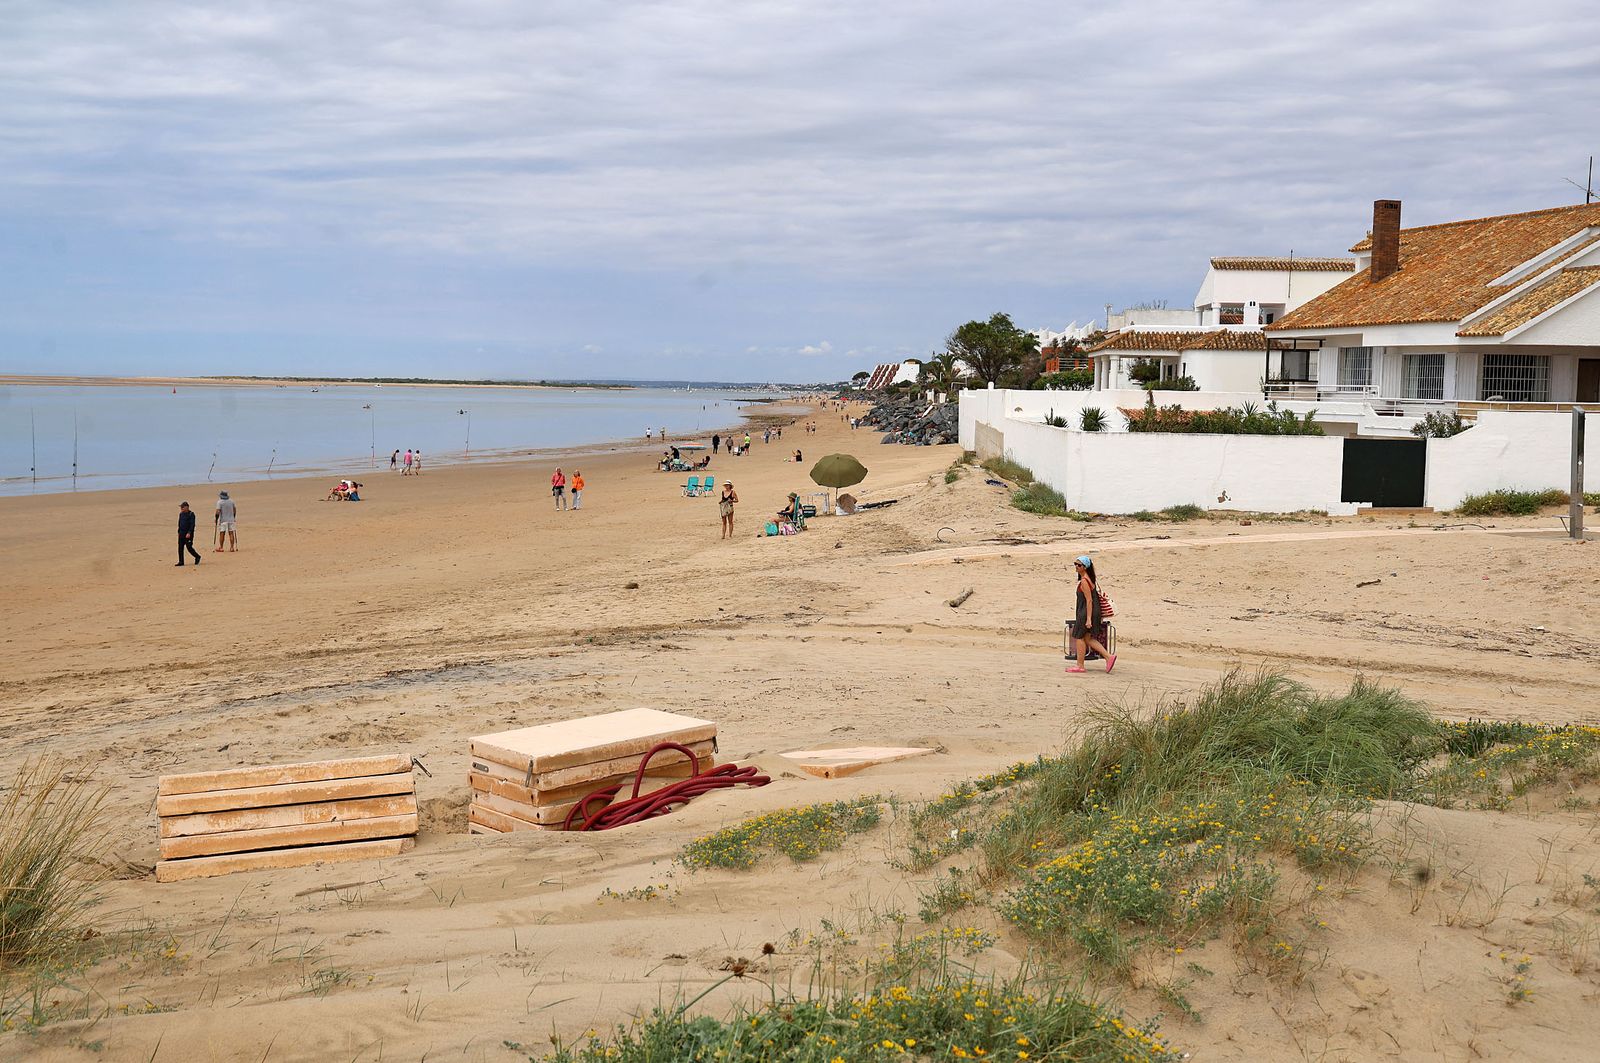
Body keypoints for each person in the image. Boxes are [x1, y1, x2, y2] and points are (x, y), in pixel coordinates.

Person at [1067, 555, 1115, 674]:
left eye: (1079, 565)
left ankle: (1080, 666)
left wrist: (1088, 619)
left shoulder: (1084, 581)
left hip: (1086, 613)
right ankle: (1109, 657)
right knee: (1088, 638)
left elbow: (1089, 600)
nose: (1076, 567)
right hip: (1092, 612)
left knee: (1079, 636)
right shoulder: (1089, 579)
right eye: (1075, 564)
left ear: (1085, 567)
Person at [176, 502, 201, 566]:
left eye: (182, 507)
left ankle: (197, 557)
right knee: (180, 548)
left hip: (188, 534)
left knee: (189, 547)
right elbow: (179, 523)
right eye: (181, 507)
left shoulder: (191, 514)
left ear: (187, 507)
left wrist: (189, 532)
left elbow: (192, 525)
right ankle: (181, 561)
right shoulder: (181, 514)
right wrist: (178, 532)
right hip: (181, 533)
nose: (181, 508)